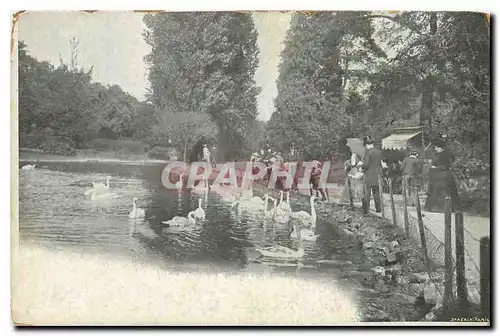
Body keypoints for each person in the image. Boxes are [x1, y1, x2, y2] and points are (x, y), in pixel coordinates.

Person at [424, 135, 461, 212]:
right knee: (449, 191)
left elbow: (444, 165)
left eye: (436, 147)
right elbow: (450, 163)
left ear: (439, 147)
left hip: (440, 175)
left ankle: (439, 208)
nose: (435, 149)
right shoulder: (447, 154)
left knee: (439, 191)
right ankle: (452, 207)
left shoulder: (442, 155)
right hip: (446, 175)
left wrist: (434, 167)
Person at [361, 136, 382, 214]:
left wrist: (361, 165)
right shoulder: (379, 151)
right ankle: (378, 208)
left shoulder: (368, 152)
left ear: (366, 144)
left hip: (369, 175)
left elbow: (366, 164)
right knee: (376, 192)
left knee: (367, 193)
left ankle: (366, 210)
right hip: (378, 175)